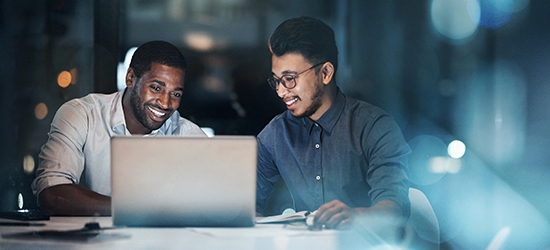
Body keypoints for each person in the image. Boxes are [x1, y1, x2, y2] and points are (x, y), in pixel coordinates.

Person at [255, 17, 411, 231]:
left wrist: (354, 216)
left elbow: (395, 207)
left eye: (290, 78)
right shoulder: (275, 134)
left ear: (326, 73)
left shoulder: (374, 127)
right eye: (276, 80)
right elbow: (247, 205)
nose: (281, 91)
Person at [31, 40, 206, 216]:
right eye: (156, 88)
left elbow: (217, 203)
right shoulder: (82, 115)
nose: (165, 103)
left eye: (175, 94)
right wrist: (137, 211)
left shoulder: (188, 136)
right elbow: (53, 195)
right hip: (88, 242)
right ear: (130, 78)